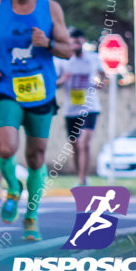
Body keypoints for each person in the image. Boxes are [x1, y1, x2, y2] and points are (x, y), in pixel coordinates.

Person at [0, 0, 72, 242]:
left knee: (36, 156)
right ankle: (13, 187)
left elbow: (67, 50)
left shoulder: (50, 8)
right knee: (5, 148)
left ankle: (31, 214)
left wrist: (48, 43)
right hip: (6, 88)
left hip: (41, 91)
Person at [55, 29, 106, 186]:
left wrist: (100, 82)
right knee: (75, 146)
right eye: (73, 41)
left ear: (83, 42)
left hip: (90, 108)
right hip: (71, 110)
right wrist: (64, 78)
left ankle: (82, 180)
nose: (76, 44)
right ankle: (80, 176)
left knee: (85, 143)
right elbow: (54, 84)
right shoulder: (63, 61)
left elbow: (103, 75)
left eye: (78, 41)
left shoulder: (93, 58)